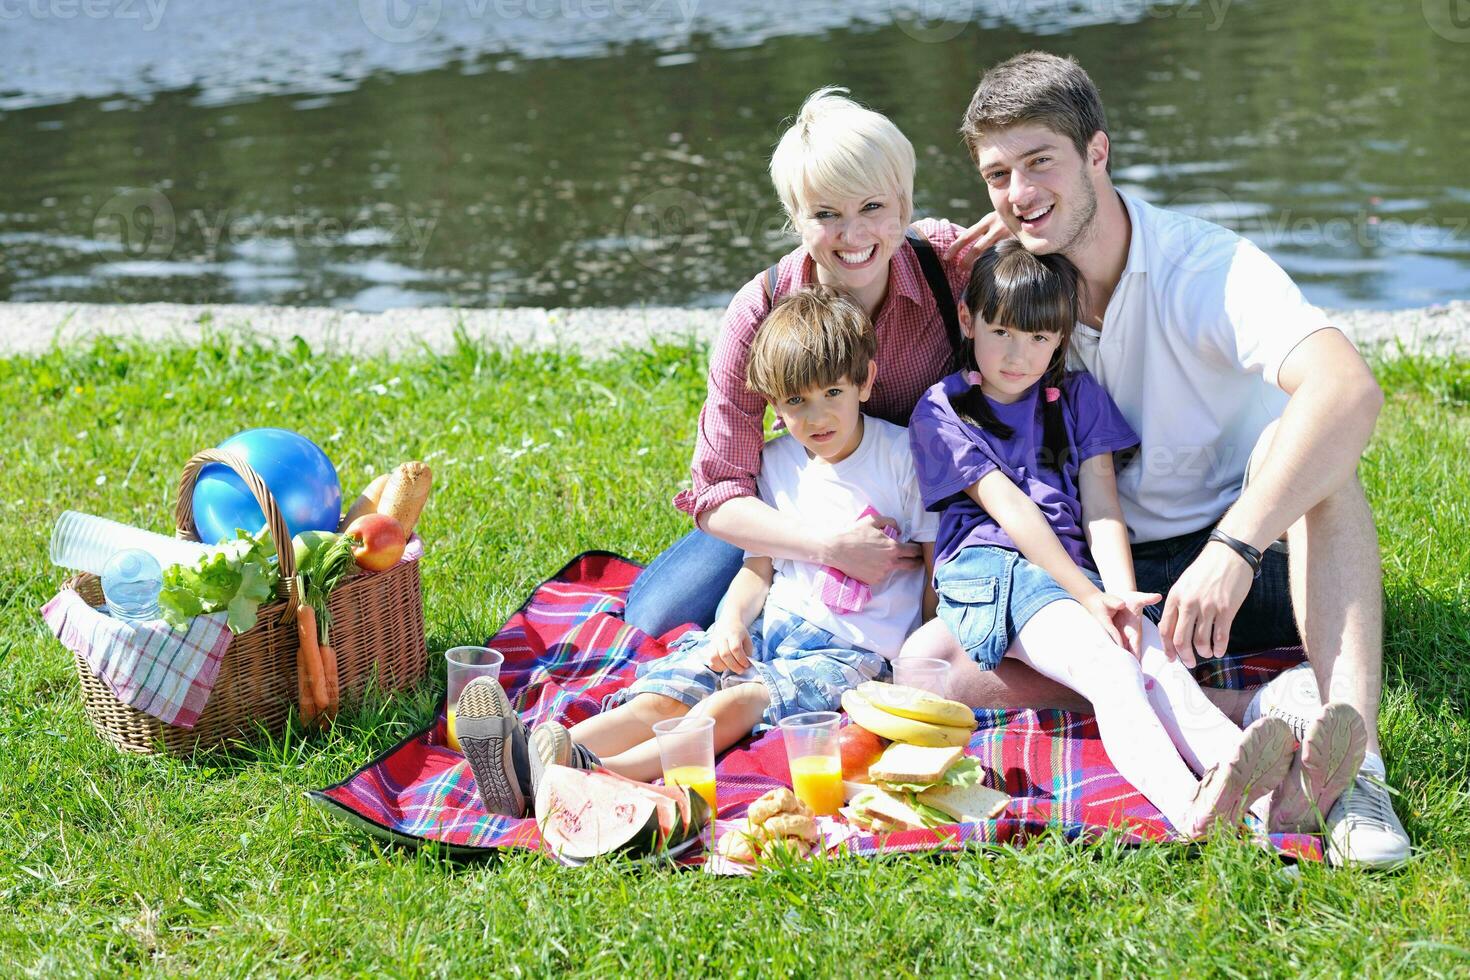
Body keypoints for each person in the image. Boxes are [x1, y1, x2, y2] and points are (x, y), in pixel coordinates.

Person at [941, 51, 1406, 865]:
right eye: (997, 175)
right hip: (1121, 580)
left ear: (1098, 152)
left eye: (1040, 161)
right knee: (945, 671)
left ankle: (1359, 770)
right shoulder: (1014, 290)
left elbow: (1348, 389)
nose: (1018, 193)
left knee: (1313, 461)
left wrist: (1236, 546)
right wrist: (915, 247)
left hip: (1254, 568)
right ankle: (1269, 703)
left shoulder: (1205, 266)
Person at [900, 239, 1363, 837]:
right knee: (1109, 669)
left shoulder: (1077, 398)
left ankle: (1263, 792)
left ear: (1061, 339)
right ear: (969, 320)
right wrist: (1091, 598)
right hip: (993, 572)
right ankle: (1187, 806)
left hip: (1068, 576)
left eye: (1040, 339)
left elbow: (1101, 505)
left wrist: (1120, 596)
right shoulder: (944, 410)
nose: (1019, 354)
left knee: (1158, 661)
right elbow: (1012, 511)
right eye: (1002, 332)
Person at [458, 286, 937, 816]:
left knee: (739, 701)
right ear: (773, 405)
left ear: (865, 381)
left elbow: (934, 571)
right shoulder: (778, 463)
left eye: (832, 393)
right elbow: (759, 565)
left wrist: (919, 665)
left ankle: (589, 772)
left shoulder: (902, 457)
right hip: (771, 628)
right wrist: (731, 619)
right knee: (669, 693)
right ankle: (528, 754)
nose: (817, 416)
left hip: (853, 650)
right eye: (796, 401)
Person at [623, 86, 979, 644]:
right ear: (795, 217)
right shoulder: (762, 306)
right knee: (654, 621)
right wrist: (830, 547)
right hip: (805, 503)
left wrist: (1028, 240)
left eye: (872, 207)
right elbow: (720, 491)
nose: (854, 235)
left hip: (931, 510)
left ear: (904, 205)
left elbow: (1047, 309)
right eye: (826, 214)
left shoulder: (950, 264)